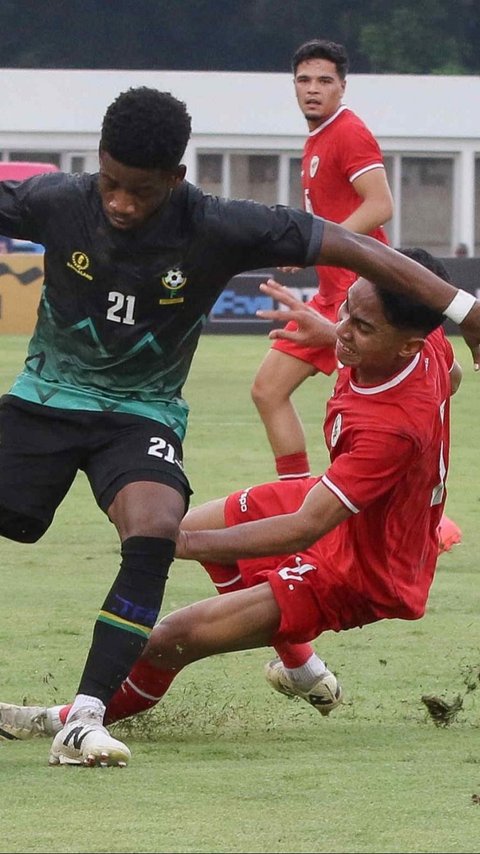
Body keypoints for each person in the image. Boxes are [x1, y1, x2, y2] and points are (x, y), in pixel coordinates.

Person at [1, 84, 479, 768]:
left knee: (165, 585)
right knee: (174, 523)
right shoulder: (424, 350)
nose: (121, 204)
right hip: (316, 494)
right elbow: (444, 373)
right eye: (110, 184)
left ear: (176, 179)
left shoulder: (386, 429)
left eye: (359, 326)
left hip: (346, 552)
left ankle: (74, 717)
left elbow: (307, 527)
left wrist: (171, 547)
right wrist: (406, 325)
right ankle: (302, 667)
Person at [251, 38, 393, 481]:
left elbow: (380, 205)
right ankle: (297, 500)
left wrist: (320, 243)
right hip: (333, 294)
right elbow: (333, 218)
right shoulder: (317, 140)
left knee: (364, 417)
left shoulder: (348, 131)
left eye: (324, 81)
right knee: (267, 390)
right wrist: (307, 250)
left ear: (342, 88)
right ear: (294, 86)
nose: (313, 88)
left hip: (364, 297)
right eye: (304, 80)